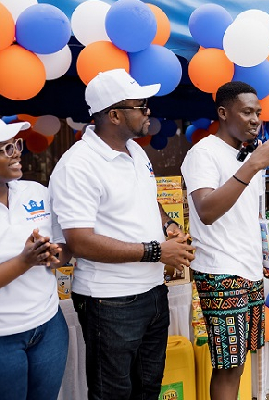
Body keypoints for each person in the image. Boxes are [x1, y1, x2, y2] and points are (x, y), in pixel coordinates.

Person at [48, 69, 195, 400]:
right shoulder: (78, 166)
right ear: (114, 115)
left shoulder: (135, 151)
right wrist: (158, 251)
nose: (148, 112)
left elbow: (147, 198)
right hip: (110, 301)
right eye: (140, 106)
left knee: (148, 388)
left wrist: (168, 225)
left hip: (153, 292)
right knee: (113, 393)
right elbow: (79, 241)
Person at [181, 81, 269, 400]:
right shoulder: (203, 154)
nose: (255, 119)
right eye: (246, 112)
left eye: (258, 112)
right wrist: (253, 165)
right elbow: (207, 210)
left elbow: (250, 218)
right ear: (223, 113)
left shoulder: (248, 155)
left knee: (238, 363)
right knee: (227, 367)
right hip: (220, 270)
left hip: (249, 268)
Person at [0, 119, 71, 400]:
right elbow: (24, 261)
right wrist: (25, 261)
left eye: (17, 145)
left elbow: (65, 248)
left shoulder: (36, 193)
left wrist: (55, 255)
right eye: (6, 148)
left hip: (49, 326)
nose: (17, 152)